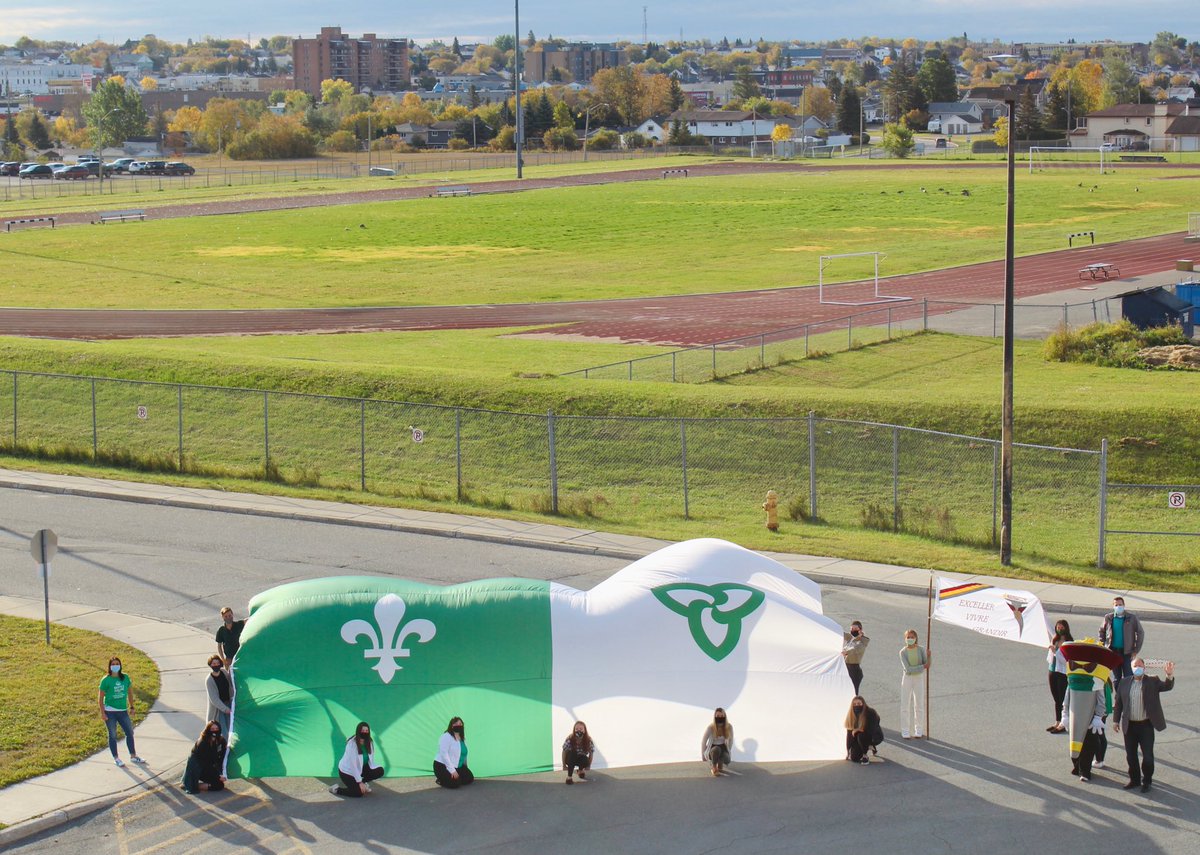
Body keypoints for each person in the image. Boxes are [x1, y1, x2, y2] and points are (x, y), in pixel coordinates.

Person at [1113, 658, 1175, 793]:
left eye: (1140, 665)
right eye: (1135, 666)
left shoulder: (1152, 681)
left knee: (1147, 756)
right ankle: (1134, 780)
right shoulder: (1124, 682)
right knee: (1131, 756)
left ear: (1144, 667)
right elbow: (1118, 703)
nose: (1138, 668)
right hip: (1130, 726)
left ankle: (1147, 781)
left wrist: (1169, 675)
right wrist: (1115, 721)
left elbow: (1167, 686)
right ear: (1131, 668)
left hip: (1145, 726)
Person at [98, 656, 146, 767]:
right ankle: (116, 758)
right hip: (110, 711)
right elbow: (100, 698)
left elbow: (130, 693)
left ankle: (133, 756)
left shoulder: (125, 678)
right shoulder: (106, 680)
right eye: (113, 664)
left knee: (129, 732)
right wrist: (103, 712)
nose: (115, 666)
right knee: (113, 735)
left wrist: (132, 706)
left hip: (123, 711)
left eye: (117, 664)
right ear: (110, 666)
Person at [1098, 597, 1143, 687]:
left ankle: (1127, 695)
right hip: (1113, 652)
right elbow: (1101, 631)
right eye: (1116, 605)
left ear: (1124, 605)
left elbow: (1140, 632)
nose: (1118, 607)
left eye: (1120, 605)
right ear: (1113, 606)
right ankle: (1118, 695)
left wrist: (1135, 650)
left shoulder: (1131, 618)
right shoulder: (1108, 617)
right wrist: (1103, 645)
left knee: (1128, 677)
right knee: (1116, 678)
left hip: (1127, 653)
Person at [332, 721, 385, 797]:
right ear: (358, 731)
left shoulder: (369, 741)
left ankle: (363, 783)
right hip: (347, 771)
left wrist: (361, 781)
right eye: (363, 730)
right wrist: (359, 782)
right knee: (358, 793)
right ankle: (336, 789)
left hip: (361, 767)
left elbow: (370, 760)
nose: (365, 732)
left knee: (380, 771)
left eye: (366, 731)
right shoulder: (352, 744)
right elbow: (353, 765)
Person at [182, 721, 227, 794]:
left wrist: (223, 773)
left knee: (219, 784)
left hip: (209, 766)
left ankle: (191, 783)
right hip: (198, 768)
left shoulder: (220, 740)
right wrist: (218, 776)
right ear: (208, 729)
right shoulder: (203, 742)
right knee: (218, 785)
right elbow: (206, 763)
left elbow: (222, 756)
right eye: (212, 729)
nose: (215, 731)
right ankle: (191, 784)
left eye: (217, 728)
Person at [898, 629, 928, 739]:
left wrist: (929, 656)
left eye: (912, 637)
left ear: (916, 638)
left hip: (918, 678)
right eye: (908, 637)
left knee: (919, 704)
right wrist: (922, 667)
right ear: (905, 639)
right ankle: (905, 730)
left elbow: (927, 664)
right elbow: (908, 669)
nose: (910, 639)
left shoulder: (921, 649)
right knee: (905, 705)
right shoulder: (902, 652)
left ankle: (918, 729)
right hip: (907, 678)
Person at [1046, 619, 1072, 733]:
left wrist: (1055, 651)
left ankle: (1063, 723)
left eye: (1061, 628)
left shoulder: (1069, 642)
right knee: (1056, 698)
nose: (1059, 629)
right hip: (1052, 670)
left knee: (1062, 698)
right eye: (1058, 627)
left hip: (1062, 672)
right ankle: (1057, 721)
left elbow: (1066, 660)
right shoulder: (1054, 639)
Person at [433, 716, 474, 789]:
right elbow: (444, 754)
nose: (458, 725)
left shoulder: (462, 738)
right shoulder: (446, 736)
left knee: (469, 778)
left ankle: (456, 778)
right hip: (442, 765)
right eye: (456, 724)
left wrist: (465, 768)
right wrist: (452, 771)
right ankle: (440, 780)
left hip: (456, 765)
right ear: (451, 726)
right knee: (455, 783)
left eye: (460, 724)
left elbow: (463, 754)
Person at [844, 696, 883, 765]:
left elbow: (871, 730)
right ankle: (867, 746)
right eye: (854, 704)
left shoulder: (871, 712)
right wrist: (848, 751)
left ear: (863, 704)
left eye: (859, 703)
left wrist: (857, 730)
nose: (857, 706)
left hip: (874, 736)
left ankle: (865, 755)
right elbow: (849, 734)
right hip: (859, 737)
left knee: (861, 735)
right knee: (854, 758)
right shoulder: (851, 715)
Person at [205, 655, 233, 736]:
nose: (216, 665)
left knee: (230, 728)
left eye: (217, 663)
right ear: (210, 665)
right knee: (223, 730)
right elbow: (214, 699)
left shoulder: (224, 672)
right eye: (213, 664)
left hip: (228, 704)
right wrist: (225, 709)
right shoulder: (209, 680)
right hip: (219, 709)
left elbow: (231, 684)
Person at [701, 708, 734, 777]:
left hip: (723, 747)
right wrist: (703, 755)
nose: (720, 717)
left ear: (725, 716)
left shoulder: (729, 727)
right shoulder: (711, 727)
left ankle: (720, 762)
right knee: (716, 749)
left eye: (722, 716)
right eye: (718, 716)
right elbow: (704, 741)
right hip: (713, 748)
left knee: (727, 759)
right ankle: (714, 767)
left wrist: (729, 750)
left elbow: (731, 740)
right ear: (715, 716)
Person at [842, 620, 870, 695]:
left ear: (860, 630)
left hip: (854, 670)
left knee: (853, 693)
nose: (853, 630)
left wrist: (846, 652)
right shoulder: (850, 637)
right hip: (845, 668)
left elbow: (856, 649)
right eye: (852, 629)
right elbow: (840, 633)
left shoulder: (863, 641)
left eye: (855, 629)